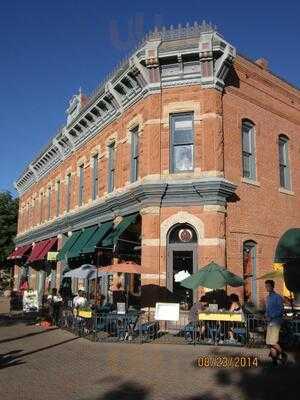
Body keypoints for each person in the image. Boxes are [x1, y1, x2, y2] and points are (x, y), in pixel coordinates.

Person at [265, 279, 288, 366]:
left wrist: (272, 316)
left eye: (268, 286)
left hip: (276, 322)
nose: (266, 288)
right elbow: (267, 310)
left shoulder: (277, 297)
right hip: (269, 322)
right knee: (269, 342)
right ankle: (274, 362)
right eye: (266, 286)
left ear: (272, 286)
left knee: (273, 342)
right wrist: (266, 315)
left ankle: (283, 354)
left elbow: (281, 310)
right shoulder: (267, 298)